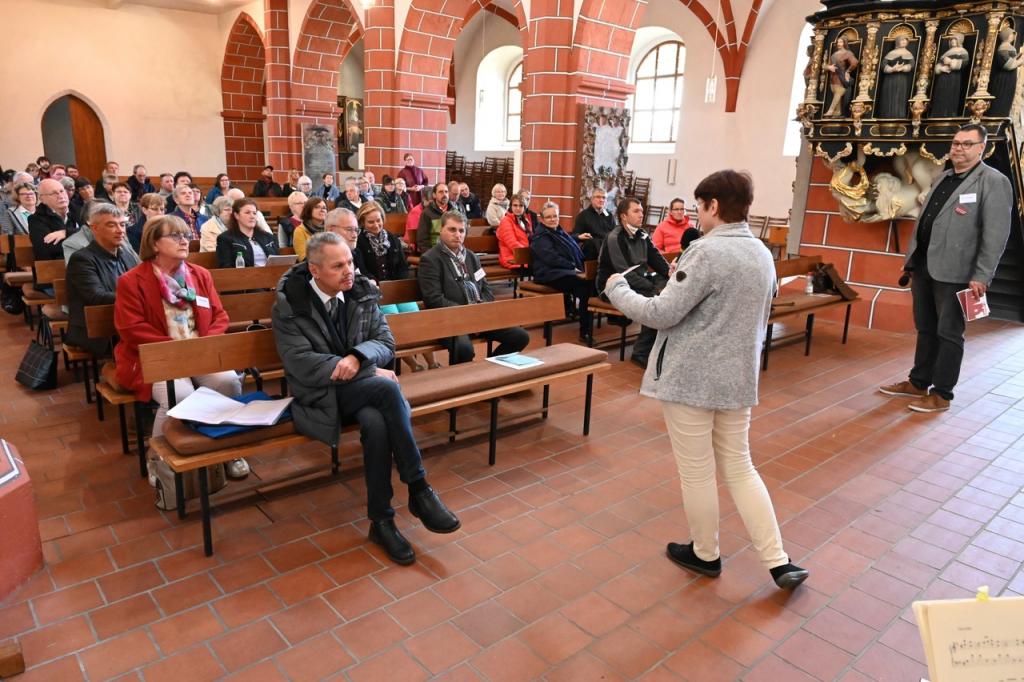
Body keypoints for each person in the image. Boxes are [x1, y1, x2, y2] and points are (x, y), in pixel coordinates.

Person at [605, 169, 809, 589]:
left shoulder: (706, 252)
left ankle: (705, 553)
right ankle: (778, 560)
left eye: (699, 206)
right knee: (740, 466)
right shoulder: (762, 253)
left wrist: (617, 290)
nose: (697, 216)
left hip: (693, 380)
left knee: (697, 471)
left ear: (714, 205)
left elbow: (661, 313)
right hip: (737, 379)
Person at [272, 231, 459, 564]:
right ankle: (418, 488)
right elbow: (299, 363)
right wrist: (368, 371)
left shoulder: (360, 292)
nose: (349, 271)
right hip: (322, 396)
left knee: (376, 423)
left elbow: (386, 342)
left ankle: (382, 521)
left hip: (364, 395)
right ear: (315, 270)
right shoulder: (290, 305)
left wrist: (357, 358)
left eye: (350, 262)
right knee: (387, 387)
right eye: (338, 266)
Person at [880, 124, 1012, 412]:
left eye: (966, 144)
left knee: (949, 333)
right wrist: (913, 260)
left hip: (957, 272)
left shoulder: (992, 181)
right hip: (926, 266)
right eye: (955, 143)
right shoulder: (944, 177)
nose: (958, 149)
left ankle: (941, 394)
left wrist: (982, 274)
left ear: (981, 148)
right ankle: (918, 382)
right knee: (925, 328)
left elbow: (996, 233)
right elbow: (927, 220)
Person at [114, 215, 249, 480]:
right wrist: (177, 351)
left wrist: (204, 343)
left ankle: (226, 448)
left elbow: (219, 315)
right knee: (180, 396)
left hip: (200, 352)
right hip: (158, 357)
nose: (184, 240)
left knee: (229, 383)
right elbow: (131, 328)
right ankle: (159, 459)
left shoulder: (199, 275)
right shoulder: (132, 281)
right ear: (154, 244)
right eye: (175, 236)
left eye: (186, 234)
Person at [418, 211, 530, 364]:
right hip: (449, 319)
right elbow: (434, 299)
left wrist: (479, 312)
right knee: (464, 349)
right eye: (452, 229)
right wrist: (467, 315)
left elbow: (486, 289)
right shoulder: (430, 259)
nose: (457, 235)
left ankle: (488, 368)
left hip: (479, 315)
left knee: (520, 336)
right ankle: (461, 385)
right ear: (441, 229)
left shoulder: (471, 257)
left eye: (461, 230)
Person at [596, 197, 669, 368]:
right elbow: (625, 273)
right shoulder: (615, 237)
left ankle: (658, 347)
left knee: (669, 291)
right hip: (613, 285)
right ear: (623, 216)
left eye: (642, 211)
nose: (641, 214)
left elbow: (657, 260)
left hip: (639, 280)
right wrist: (653, 288)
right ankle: (641, 352)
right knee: (655, 301)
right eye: (636, 211)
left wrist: (671, 276)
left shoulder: (642, 234)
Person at [65, 204, 141, 356]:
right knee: (148, 343)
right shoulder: (81, 259)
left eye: (122, 225)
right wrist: (139, 298)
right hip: (97, 329)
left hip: (127, 319)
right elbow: (96, 297)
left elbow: (141, 282)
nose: (120, 230)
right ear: (95, 228)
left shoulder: (125, 253)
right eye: (111, 225)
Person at [530, 201, 594, 341]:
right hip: (548, 274)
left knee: (589, 284)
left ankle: (585, 326)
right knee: (585, 287)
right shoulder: (540, 237)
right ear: (542, 218)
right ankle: (585, 332)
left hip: (561, 271)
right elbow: (551, 257)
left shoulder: (556, 230)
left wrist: (577, 238)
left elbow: (565, 241)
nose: (553, 219)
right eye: (549, 217)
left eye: (555, 216)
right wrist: (572, 267)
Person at [216, 198, 280, 268]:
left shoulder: (269, 237)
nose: (252, 216)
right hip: (243, 277)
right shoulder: (225, 239)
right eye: (247, 213)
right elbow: (226, 267)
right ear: (236, 215)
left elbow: (278, 262)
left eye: (254, 213)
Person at [355, 202, 408, 282]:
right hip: (371, 287)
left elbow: (402, 266)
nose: (376, 225)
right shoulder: (358, 241)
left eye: (378, 220)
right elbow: (362, 271)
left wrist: (397, 284)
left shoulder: (393, 239)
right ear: (362, 223)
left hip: (394, 285)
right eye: (371, 222)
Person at [29, 178, 80, 262]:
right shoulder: (35, 220)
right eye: (53, 193)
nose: (60, 196)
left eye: (62, 191)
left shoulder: (80, 211)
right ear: (42, 199)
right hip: (54, 269)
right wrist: (81, 239)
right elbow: (50, 249)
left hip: (84, 264)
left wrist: (66, 233)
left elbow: (95, 233)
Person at [931, 34, 969, 118]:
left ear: (959, 41)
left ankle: (948, 113)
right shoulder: (946, 53)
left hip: (953, 77)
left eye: (955, 40)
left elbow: (965, 62)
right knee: (941, 94)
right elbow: (938, 64)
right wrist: (940, 69)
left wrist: (951, 62)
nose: (953, 41)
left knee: (950, 94)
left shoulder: (962, 51)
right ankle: (938, 113)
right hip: (943, 77)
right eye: (951, 40)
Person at [876, 36, 915, 119]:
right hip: (890, 78)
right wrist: (892, 69)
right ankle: (885, 114)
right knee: (888, 95)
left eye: (905, 40)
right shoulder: (891, 53)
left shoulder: (909, 54)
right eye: (902, 40)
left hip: (902, 78)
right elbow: (883, 64)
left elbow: (912, 64)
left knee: (900, 96)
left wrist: (904, 68)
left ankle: (899, 115)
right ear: (897, 42)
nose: (904, 42)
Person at [989, 28, 1024, 117]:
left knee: (1007, 97)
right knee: (1002, 96)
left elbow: (1011, 60)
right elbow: (1007, 64)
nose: (1013, 36)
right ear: (1006, 36)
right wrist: (1020, 61)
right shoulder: (1003, 48)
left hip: (1010, 77)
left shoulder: (1009, 47)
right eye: (1011, 34)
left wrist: (1017, 58)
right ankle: (998, 117)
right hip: (1004, 78)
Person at [574, 187, 616, 260]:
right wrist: (580, 236)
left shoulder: (609, 215)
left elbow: (614, 234)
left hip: (607, 250)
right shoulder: (583, 215)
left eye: (604, 198)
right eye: (598, 197)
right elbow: (575, 235)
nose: (601, 200)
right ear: (592, 199)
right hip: (592, 253)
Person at [823, 37, 859, 118]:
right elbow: (825, 65)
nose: (839, 44)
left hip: (840, 76)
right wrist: (829, 67)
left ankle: (831, 110)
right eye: (838, 42)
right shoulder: (834, 54)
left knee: (839, 92)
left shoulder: (847, 53)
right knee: (835, 92)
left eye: (841, 42)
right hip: (833, 77)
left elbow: (854, 62)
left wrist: (848, 71)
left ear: (844, 43)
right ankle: (838, 111)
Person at [495, 194, 532, 270]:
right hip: (511, 257)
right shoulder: (506, 221)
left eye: (521, 206)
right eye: (515, 205)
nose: (518, 208)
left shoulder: (525, 220)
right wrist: (529, 254)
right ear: (511, 206)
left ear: (524, 208)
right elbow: (512, 243)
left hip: (523, 256)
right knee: (541, 267)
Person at [416, 182, 453, 254]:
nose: (444, 194)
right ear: (434, 195)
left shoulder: (454, 212)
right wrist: (431, 255)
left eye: (446, 192)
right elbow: (422, 240)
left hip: (452, 251)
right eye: (441, 192)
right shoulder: (427, 213)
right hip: (434, 252)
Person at [325, 206, 365, 273]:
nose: (355, 235)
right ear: (331, 230)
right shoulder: (318, 258)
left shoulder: (356, 253)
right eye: (349, 229)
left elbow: (365, 274)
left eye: (356, 230)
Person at [293, 197, 329, 262]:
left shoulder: (329, 229)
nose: (322, 210)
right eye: (317, 207)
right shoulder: (300, 231)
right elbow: (303, 258)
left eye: (324, 208)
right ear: (309, 210)